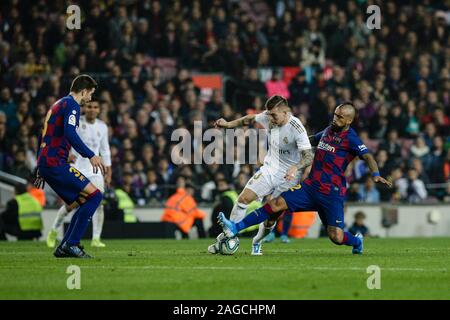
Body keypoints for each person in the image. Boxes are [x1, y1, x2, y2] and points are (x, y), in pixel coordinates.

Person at [218, 102, 392, 254]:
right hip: (310, 188)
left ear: (349, 121)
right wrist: (291, 142)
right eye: (335, 115)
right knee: (276, 204)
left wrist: (375, 174)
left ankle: (357, 241)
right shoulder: (328, 131)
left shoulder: (351, 139)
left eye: (340, 117)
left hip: (331, 193)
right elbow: (309, 141)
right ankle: (235, 227)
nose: (335, 119)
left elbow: (368, 156)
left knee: (336, 237)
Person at [209, 95, 313, 255]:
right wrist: (228, 124)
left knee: (272, 217)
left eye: (274, 115)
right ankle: (229, 237)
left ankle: (257, 242)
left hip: (289, 177)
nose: (269, 118)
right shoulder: (268, 117)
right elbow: (249, 119)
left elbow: (308, 156)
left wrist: (295, 167)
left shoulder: (296, 128)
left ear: (285, 112)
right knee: (243, 199)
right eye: (268, 114)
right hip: (270, 169)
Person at [34, 74, 106, 258]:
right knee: (95, 197)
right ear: (83, 91)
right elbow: (70, 133)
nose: (89, 98)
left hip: (48, 162)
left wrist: (40, 164)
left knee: (83, 201)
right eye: (90, 93)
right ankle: (71, 244)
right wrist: (91, 155)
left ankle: (65, 246)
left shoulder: (59, 103)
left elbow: (46, 135)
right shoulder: (72, 105)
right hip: (55, 163)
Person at [46, 100, 112, 248]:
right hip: (77, 168)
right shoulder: (76, 122)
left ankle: (96, 238)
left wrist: (108, 172)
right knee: (71, 205)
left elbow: (105, 150)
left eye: (95, 107)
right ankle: (53, 231)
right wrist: (65, 154)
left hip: (94, 170)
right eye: (89, 106)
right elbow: (65, 138)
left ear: (99, 109)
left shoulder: (102, 126)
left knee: (98, 202)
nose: (92, 109)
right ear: (85, 108)